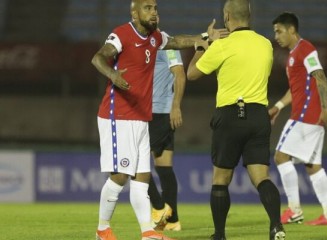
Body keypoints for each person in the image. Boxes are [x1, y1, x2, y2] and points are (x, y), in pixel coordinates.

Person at [91, 0, 226, 239]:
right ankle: (103, 229)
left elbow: (176, 41)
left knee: (142, 177)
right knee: (121, 176)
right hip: (118, 115)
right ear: (134, 13)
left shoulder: (155, 38)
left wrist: (204, 36)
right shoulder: (121, 34)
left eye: (155, 8)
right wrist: (113, 74)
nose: (153, 12)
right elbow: (98, 58)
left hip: (142, 117)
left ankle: (148, 232)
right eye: (147, 8)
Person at [187, 1, 285, 240]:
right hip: (258, 114)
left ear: (227, 16)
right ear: (249, 15)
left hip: (230, 114)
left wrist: (203, 44)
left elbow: (192, 74)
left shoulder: (222, 45)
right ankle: (276, 227)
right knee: (261, 177)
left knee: (221, 179)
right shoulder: (265, 44)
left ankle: (219, 235)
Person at [270, 12, 327, 226]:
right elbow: (296, 90)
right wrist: (278, 106)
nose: (277, 36)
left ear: (292, 30)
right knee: (312, 165)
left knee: (280, 157)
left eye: (279, 31)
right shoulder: (293, 55)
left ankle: (293, 210)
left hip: (305, 115)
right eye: (275, 32)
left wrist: (326, 108)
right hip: (307, 115)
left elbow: (320, 75)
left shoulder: (305, 49)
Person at [147, 46, 185, 231]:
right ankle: (172, 220)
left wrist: (176, 106)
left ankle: (160, 207)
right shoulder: (144, 44)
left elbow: (180, 73)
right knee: (163, 166)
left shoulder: (167, 46)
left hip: (158, 113)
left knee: (135, 163)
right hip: (156, 113)